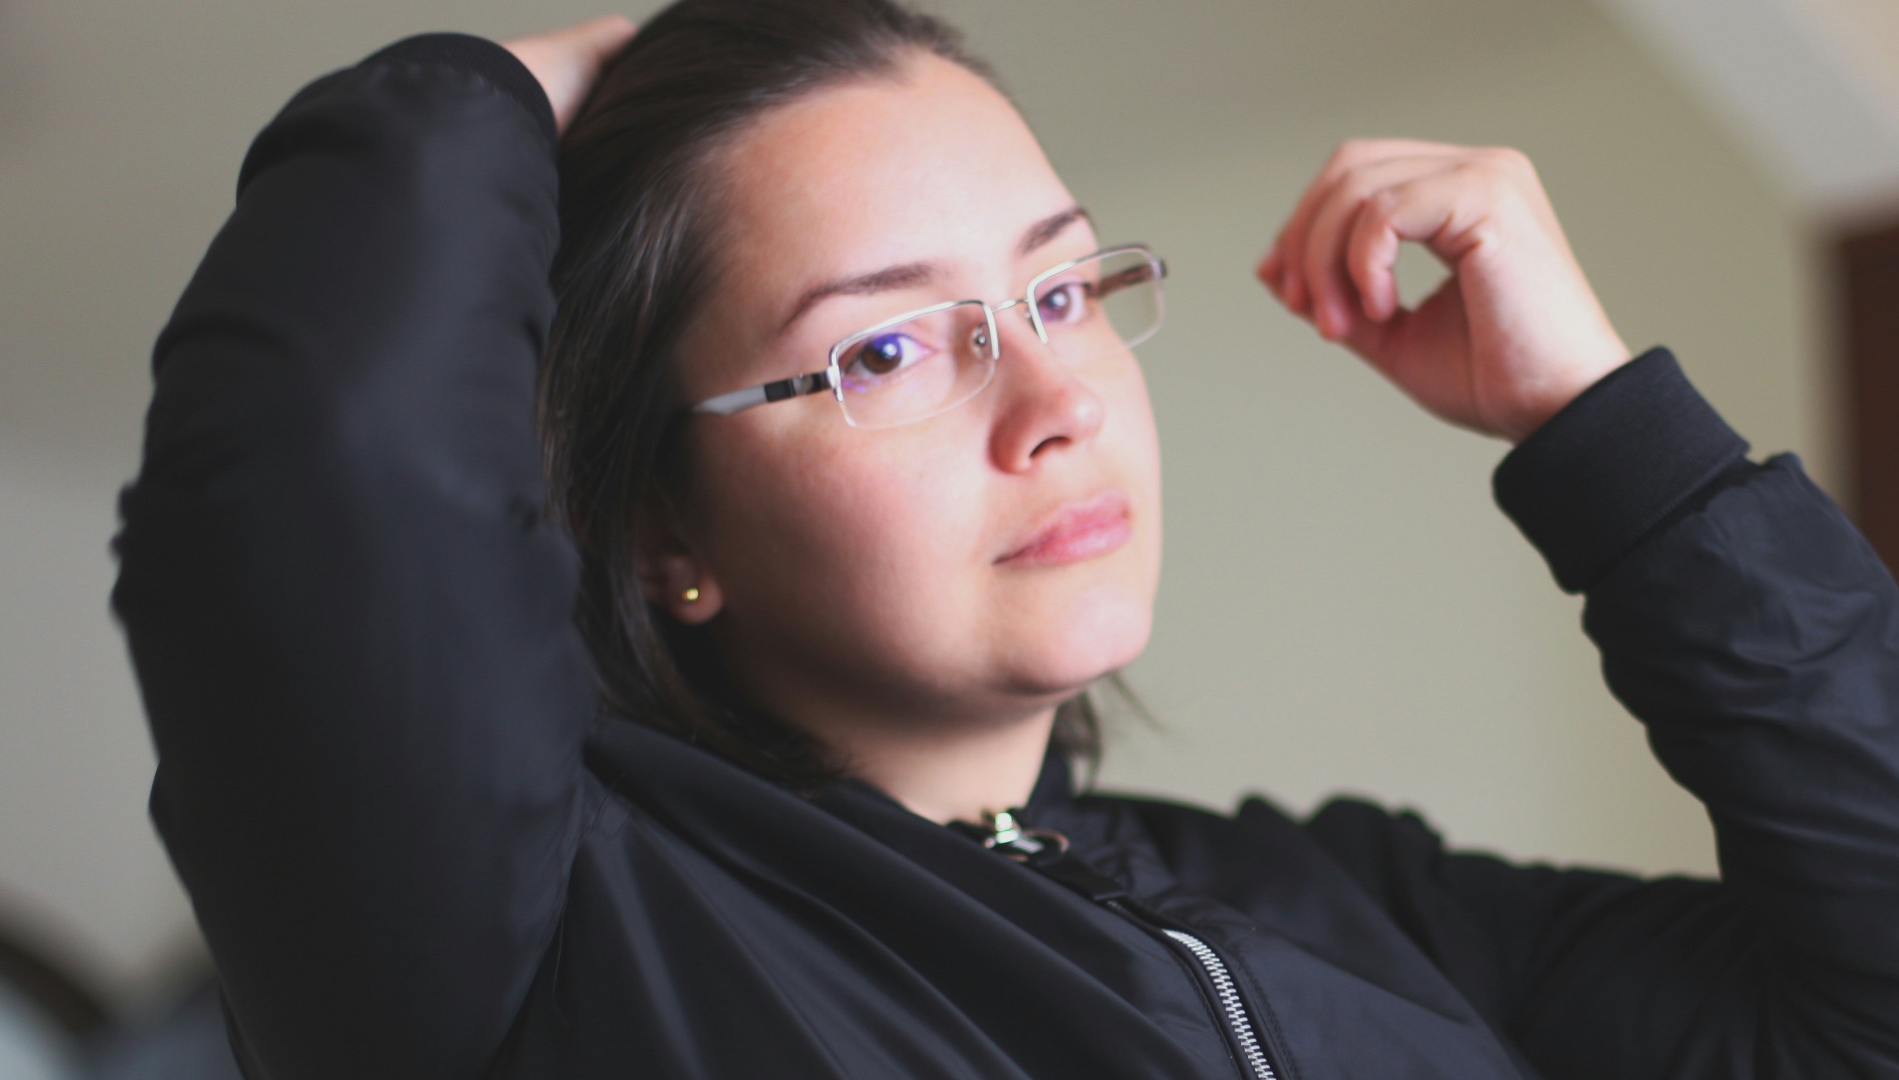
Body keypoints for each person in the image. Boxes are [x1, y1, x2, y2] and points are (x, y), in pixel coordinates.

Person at [111, 0, 1899, 1077]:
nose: (1055, 399)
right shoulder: (542, 941)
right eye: (885, 349)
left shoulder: (1354, 904)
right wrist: (500, 84)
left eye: (1058, 290)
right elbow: (316, 467)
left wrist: (1605, 429)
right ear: (660, 528)